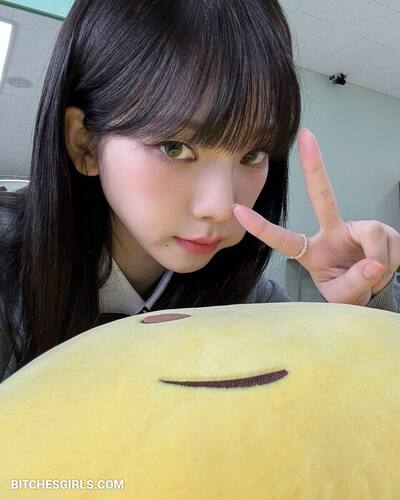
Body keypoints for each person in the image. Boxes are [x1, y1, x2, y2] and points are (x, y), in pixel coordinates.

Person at [0, 0, 399, 384]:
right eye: (175, 148)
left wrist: (358, 316)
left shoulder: (248, 301)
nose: (221, 207)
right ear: (85, 145)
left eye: (252, 155)